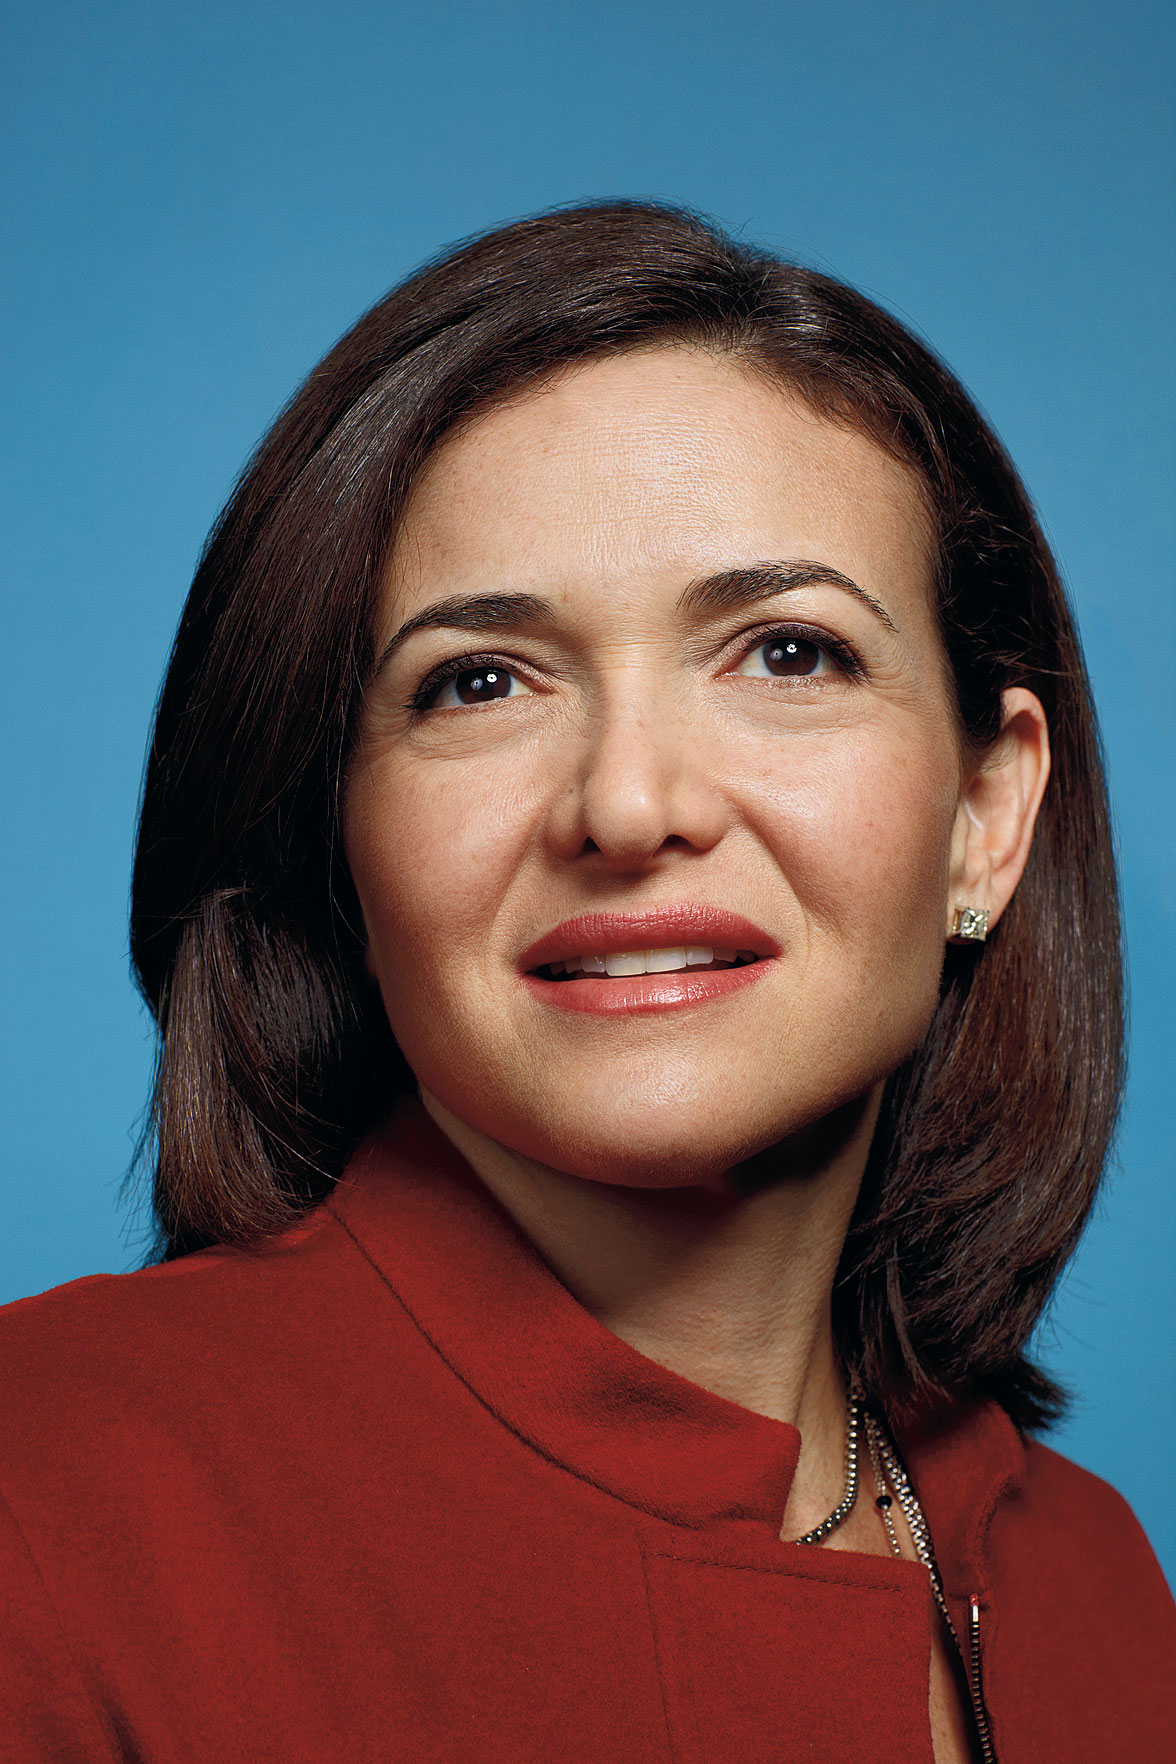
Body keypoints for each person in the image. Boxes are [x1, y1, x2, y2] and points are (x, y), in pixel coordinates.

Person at [1, 201, 1171, 1763]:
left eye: (786, 654)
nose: (629, 807)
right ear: (337, 841)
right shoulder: (49, 1500)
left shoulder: (1093, 1583)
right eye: (478, 682)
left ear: (987, 814)